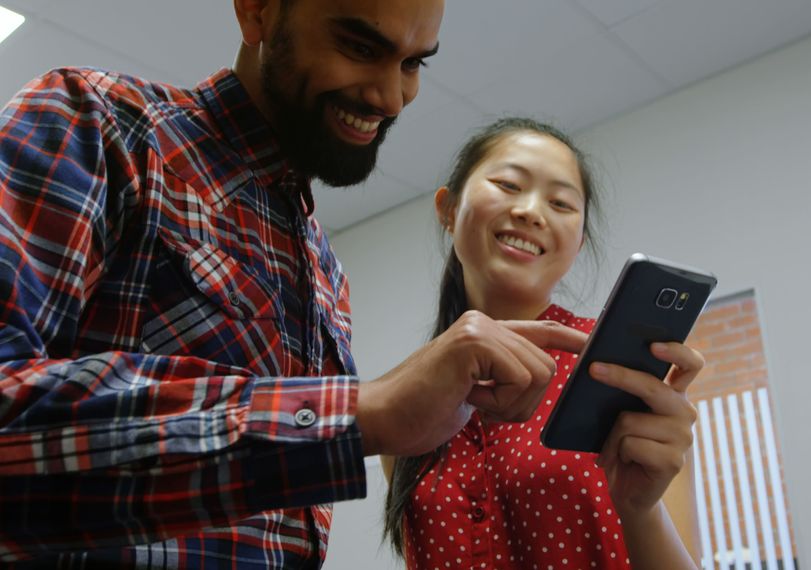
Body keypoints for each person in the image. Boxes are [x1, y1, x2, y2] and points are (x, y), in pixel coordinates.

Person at [0, 1, 590, 566]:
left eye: (413, 64)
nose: (391, 97)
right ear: (256, 8)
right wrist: (361, 414)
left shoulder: (324, 270)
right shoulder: (100, 123)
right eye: (359, 45)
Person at [380, 117, 704, 569]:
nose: (532, 211)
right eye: (509, 185)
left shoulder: (610, 367)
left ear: (578, 242)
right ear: (449, 209)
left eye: (560, 203)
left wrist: (640, 511)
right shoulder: (407, 391)